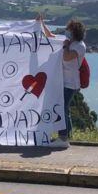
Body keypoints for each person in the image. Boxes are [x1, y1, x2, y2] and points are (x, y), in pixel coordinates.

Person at [39, 15, 87, 149]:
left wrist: (65, 46)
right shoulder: (69, 42)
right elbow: (51, 36)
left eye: (69, 30)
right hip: (63, 82)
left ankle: (63, 138)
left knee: (62, 109)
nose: (67, 32)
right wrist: (42, 23)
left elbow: (67, 58)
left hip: (71, 84)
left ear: (75, 32)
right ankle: (66, 135)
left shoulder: (79, 46)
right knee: (64, 109)